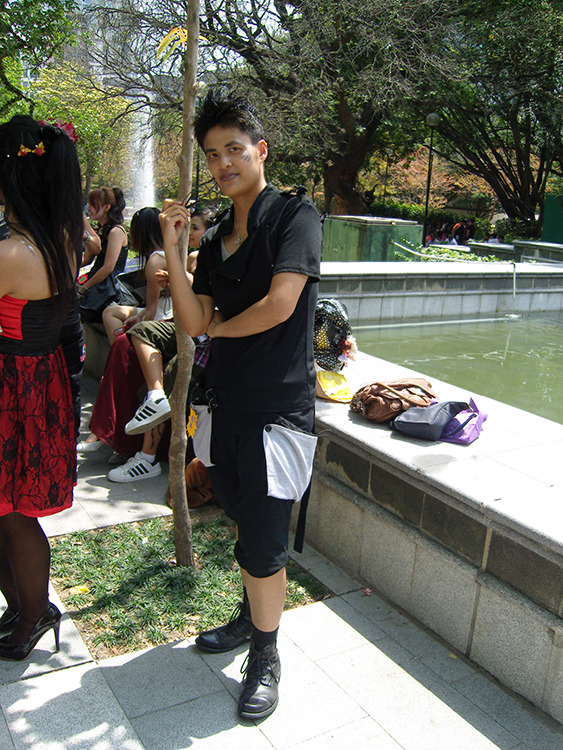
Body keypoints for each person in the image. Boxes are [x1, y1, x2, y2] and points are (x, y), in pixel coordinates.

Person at [159, 92, 322, 720]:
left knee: (262, 536)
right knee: (234, 509)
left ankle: (266, 653)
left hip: (276, 409)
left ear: (260, 150)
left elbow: (281, 305)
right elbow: (193, 317)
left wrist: (217, 332)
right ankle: (254, 614)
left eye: (234, 149)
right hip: (223, 403)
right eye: (212, 154)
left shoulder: (295, 217)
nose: (223, 162)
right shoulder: (221, 235)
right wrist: (176, 249)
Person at [0, 115, 82, 660]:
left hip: (13, 388)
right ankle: (26, 605)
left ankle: (32, 612)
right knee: (11, 509)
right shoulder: (61, 242)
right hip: (39, 383)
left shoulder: (12, 254)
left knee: (12, 511)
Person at [77, 208, 214, 479]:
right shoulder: (188, 257)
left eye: (194, 228)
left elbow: (206, 303)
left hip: (202, 340)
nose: (189, 232)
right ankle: (119, 437)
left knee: (161, 372)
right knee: (125, 344)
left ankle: (145, 455)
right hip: (182, 329)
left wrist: (178, 280)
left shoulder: (201, 257)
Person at [102, 206, 173, 344]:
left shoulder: (154, 262)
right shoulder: (168, 253)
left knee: (109, 312)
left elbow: (151, 313)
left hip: (162, 320)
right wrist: (139, 316)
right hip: (167, 313)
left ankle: (125, 352)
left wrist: (137, 336)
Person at [77, 186, 128, 323]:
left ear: (106, 207)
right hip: (96, 280)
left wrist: (85, 287)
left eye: (93, 204)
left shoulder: (116, 231)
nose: (88, 207)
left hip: (107, 287)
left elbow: (108, 268)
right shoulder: (99, 230)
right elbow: (87, 259)